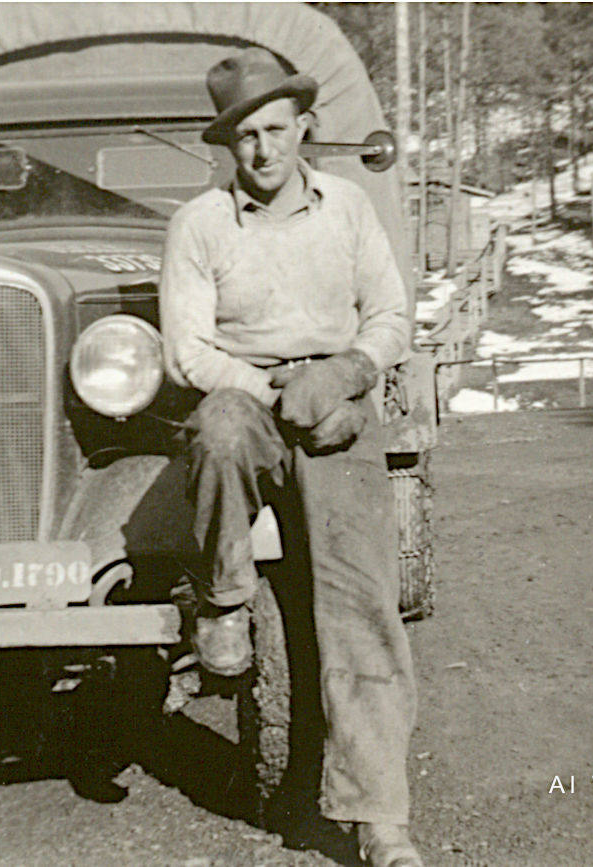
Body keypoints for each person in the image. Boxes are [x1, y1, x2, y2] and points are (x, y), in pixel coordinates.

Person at [158, 48, 422, 867]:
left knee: (359, 603)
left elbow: (389, 313)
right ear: (226, 146)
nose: (264, 150)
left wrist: (346, 373)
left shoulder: (346, 208)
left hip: (339, 404)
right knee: (218, 430)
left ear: (304, 126)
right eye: (245, 137)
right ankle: (225, 598)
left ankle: (379, 820)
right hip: (252, 395)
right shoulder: (199, 224)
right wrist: (275, 394)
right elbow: (189, 353)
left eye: (277, 129)